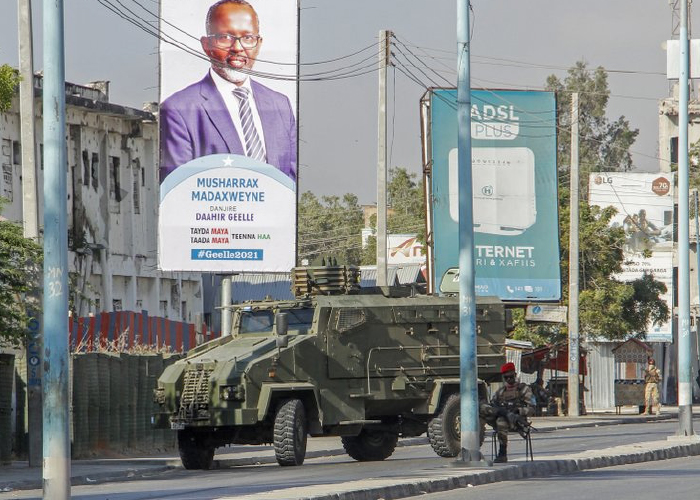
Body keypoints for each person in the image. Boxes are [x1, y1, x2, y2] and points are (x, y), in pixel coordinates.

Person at [159, 0, 296, 183]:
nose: (237, 48)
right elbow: (178, 190)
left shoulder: (280, 105)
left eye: (248, 38)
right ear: (206, 45)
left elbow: (291, 185)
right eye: (225, 37)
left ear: (259, 44)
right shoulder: (179, 109)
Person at [480, 362, 535, 463]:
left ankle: (502, 453)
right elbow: (493, 403)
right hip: (499, 417)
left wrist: (519, 410)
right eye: (506, 378)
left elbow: (532, 409)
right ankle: (474, 448)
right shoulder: (501, 391)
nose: (509, 380)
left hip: (516, 421)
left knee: (501, 421)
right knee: (481, 409)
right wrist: (497, 411)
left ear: (515, 375)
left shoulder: (524, 389)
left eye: (510, 377)